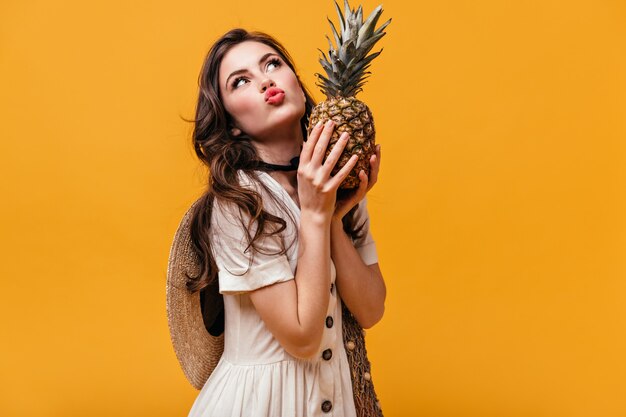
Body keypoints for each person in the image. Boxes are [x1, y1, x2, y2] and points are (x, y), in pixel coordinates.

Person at [184, 28, 386, 416]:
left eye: (272, 64)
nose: (265, 81)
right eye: (240, 81)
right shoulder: (238, 200)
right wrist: (314, 214)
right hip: (259, 403)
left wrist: (332, 217)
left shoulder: (334, 183)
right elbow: (302, 337)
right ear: (232, 123)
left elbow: (371, 309)